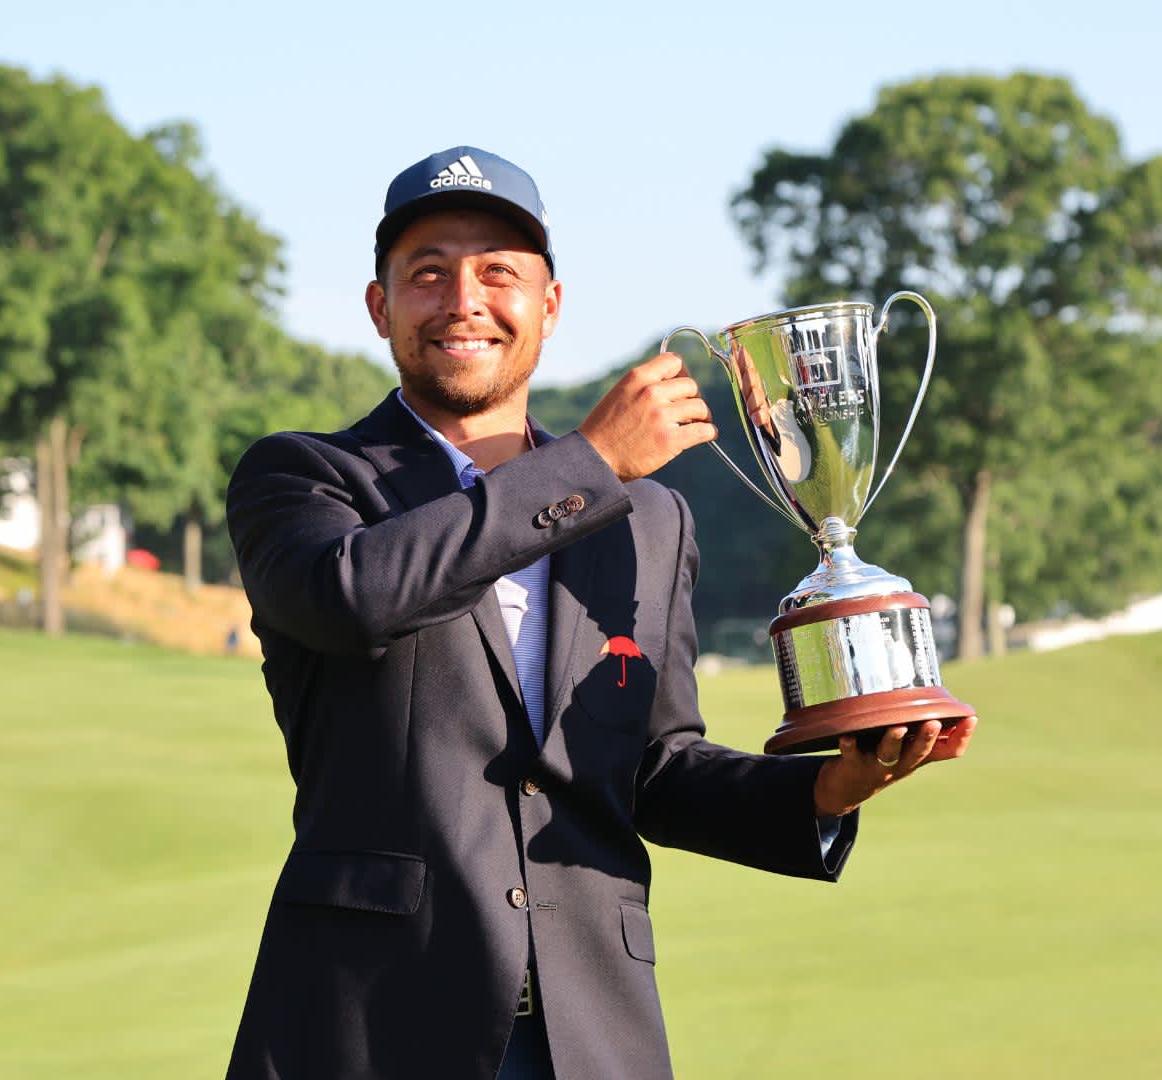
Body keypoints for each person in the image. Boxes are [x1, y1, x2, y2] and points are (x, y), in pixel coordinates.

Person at [224, 146, 975, 1080]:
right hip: (370, 1029)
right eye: (428, 274)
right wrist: (588, 464)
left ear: (550, 306)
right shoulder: (303, 477)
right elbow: (353, 600)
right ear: (380, 308)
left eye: (500, 271)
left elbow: (655, 766)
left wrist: (829, 791)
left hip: (591, 1036)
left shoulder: (650, 519)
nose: (464, 298)